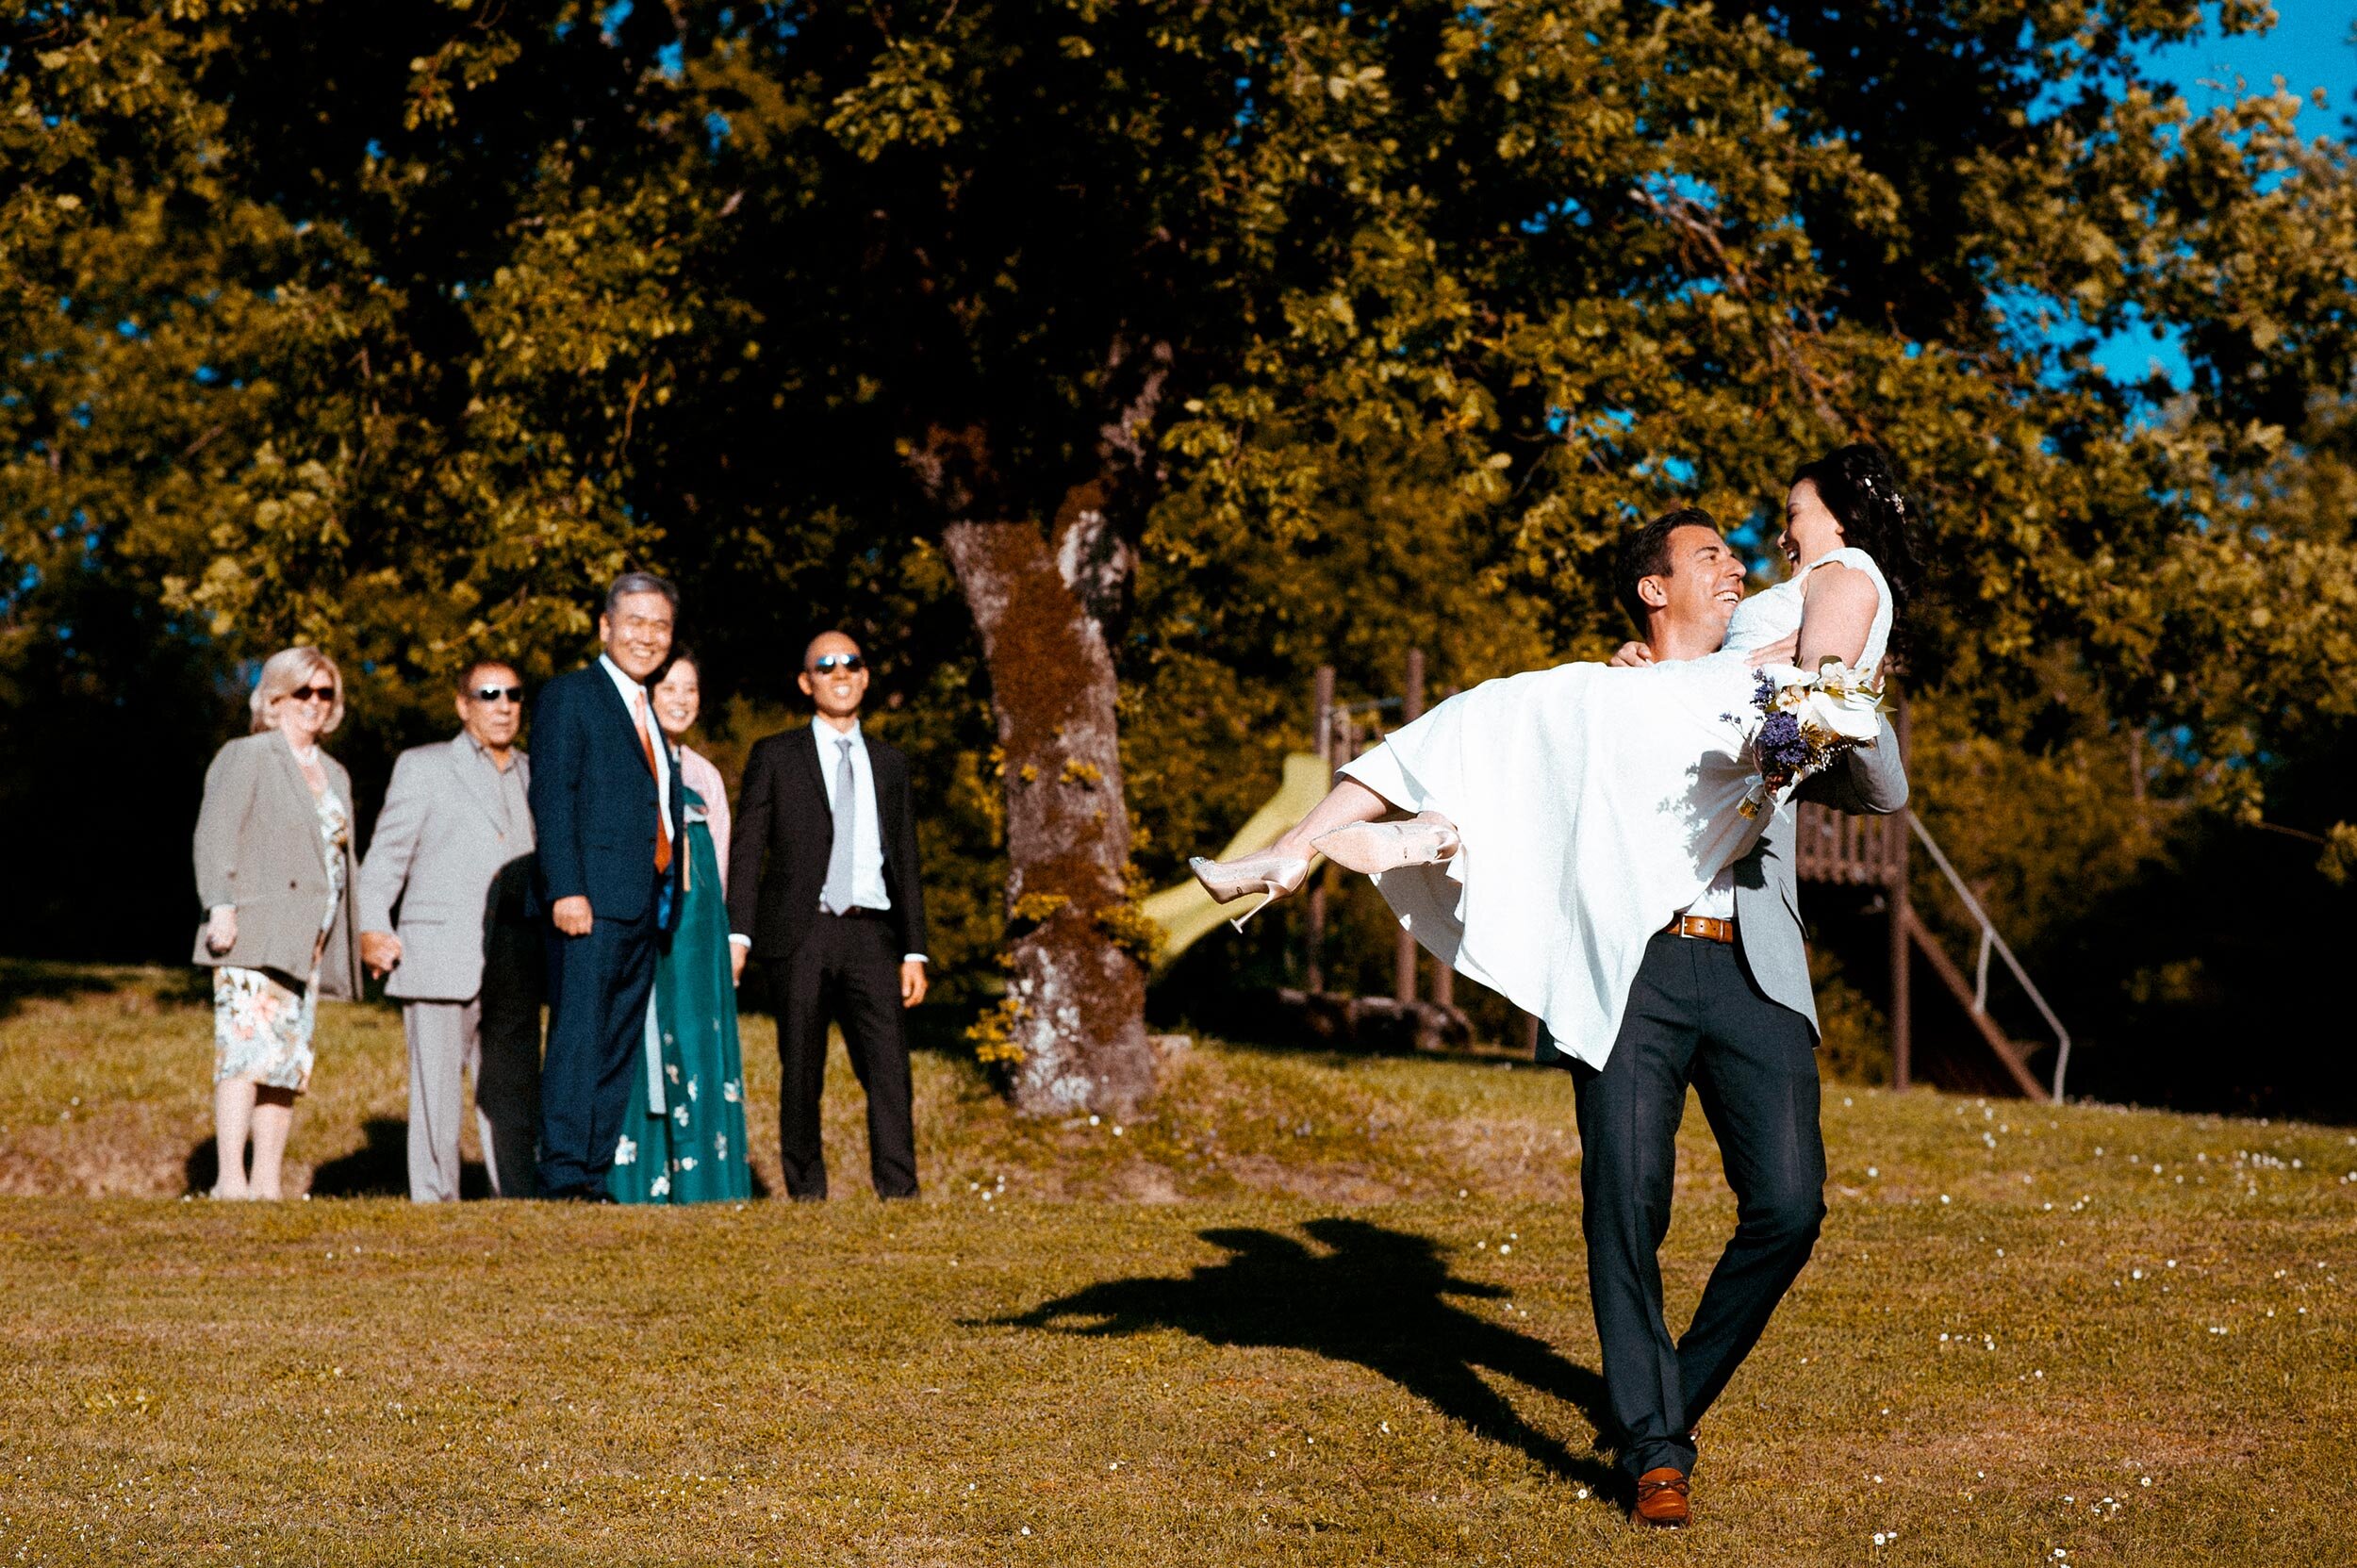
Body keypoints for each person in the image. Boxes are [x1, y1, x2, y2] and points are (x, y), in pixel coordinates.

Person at [1194, 444, 1917, 1526]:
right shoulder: (1611, 693)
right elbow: (1521, 763)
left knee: (1789, 1205)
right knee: (1626, 1205)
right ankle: (1654, 1451)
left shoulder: (1778, 645)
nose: (1742, 562)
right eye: (1709, 554)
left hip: (1747, 967)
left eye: (1751, 542)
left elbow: (1882, 782)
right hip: (1630, 969)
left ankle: (1660, 1399)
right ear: (1651, 587)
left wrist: (1838, 705)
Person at [728, 632, 929, 1201]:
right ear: (805, 681)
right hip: (800, 932)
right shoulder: (775, 754)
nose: (840, 672)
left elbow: (907, 858)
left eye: (852, 663)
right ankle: (806, 1192)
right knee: (801, 1068)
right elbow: (749, 849)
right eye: (825, 664)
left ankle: (899, 1191)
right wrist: (738, 933)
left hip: (873, 934)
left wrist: (915, 949)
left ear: (865, 677)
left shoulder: (890, 764)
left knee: (889, 1070)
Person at [355, 659, 542, 1202]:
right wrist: (372, 928)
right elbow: (386, 858)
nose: (503, 704)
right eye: (489, 694)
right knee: (437, 1093)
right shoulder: (424, 767)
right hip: (437, 951)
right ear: (463, 705)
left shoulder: (539, 772)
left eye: (513, 694)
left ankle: (517, 1198)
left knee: (513, 1090)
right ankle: (435, 1203)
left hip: (518, 956)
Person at [527, 572, 687, 1201]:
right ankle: (563, 1173)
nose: (648, 636)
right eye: (637, 621)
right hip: (587, 903)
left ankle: (590, 1174)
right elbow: (554, 797)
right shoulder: (573, 696)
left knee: (617, 1040)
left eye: (661, 625)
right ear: (605, 626)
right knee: (578, 1039)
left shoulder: (647, 705)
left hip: (642, 904)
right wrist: (566, 888)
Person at [190, 646, 362, 1200]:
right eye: (302, 692)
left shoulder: (333, 771)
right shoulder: (248, 754)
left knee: (286, 1064)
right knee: (243, 1054)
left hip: (306, 942)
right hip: (251, 931)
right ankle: (230, 1180)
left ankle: (267, 1180)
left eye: (325, 693)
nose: (314, 704)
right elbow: (215, 834)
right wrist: (220, 905)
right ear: (275, 697)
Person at [607, 648, 751, 1203]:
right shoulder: (625, 765)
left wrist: (724, 938)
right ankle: (638, 1177)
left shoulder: (705, 775)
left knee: (697, 1043)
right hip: (639, 922)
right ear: (646, 695)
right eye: (670, 688)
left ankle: (704, 1180)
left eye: (691, 689)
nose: (682, 700)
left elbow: (719, 859)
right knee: (635, 1038)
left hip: (696, 933)